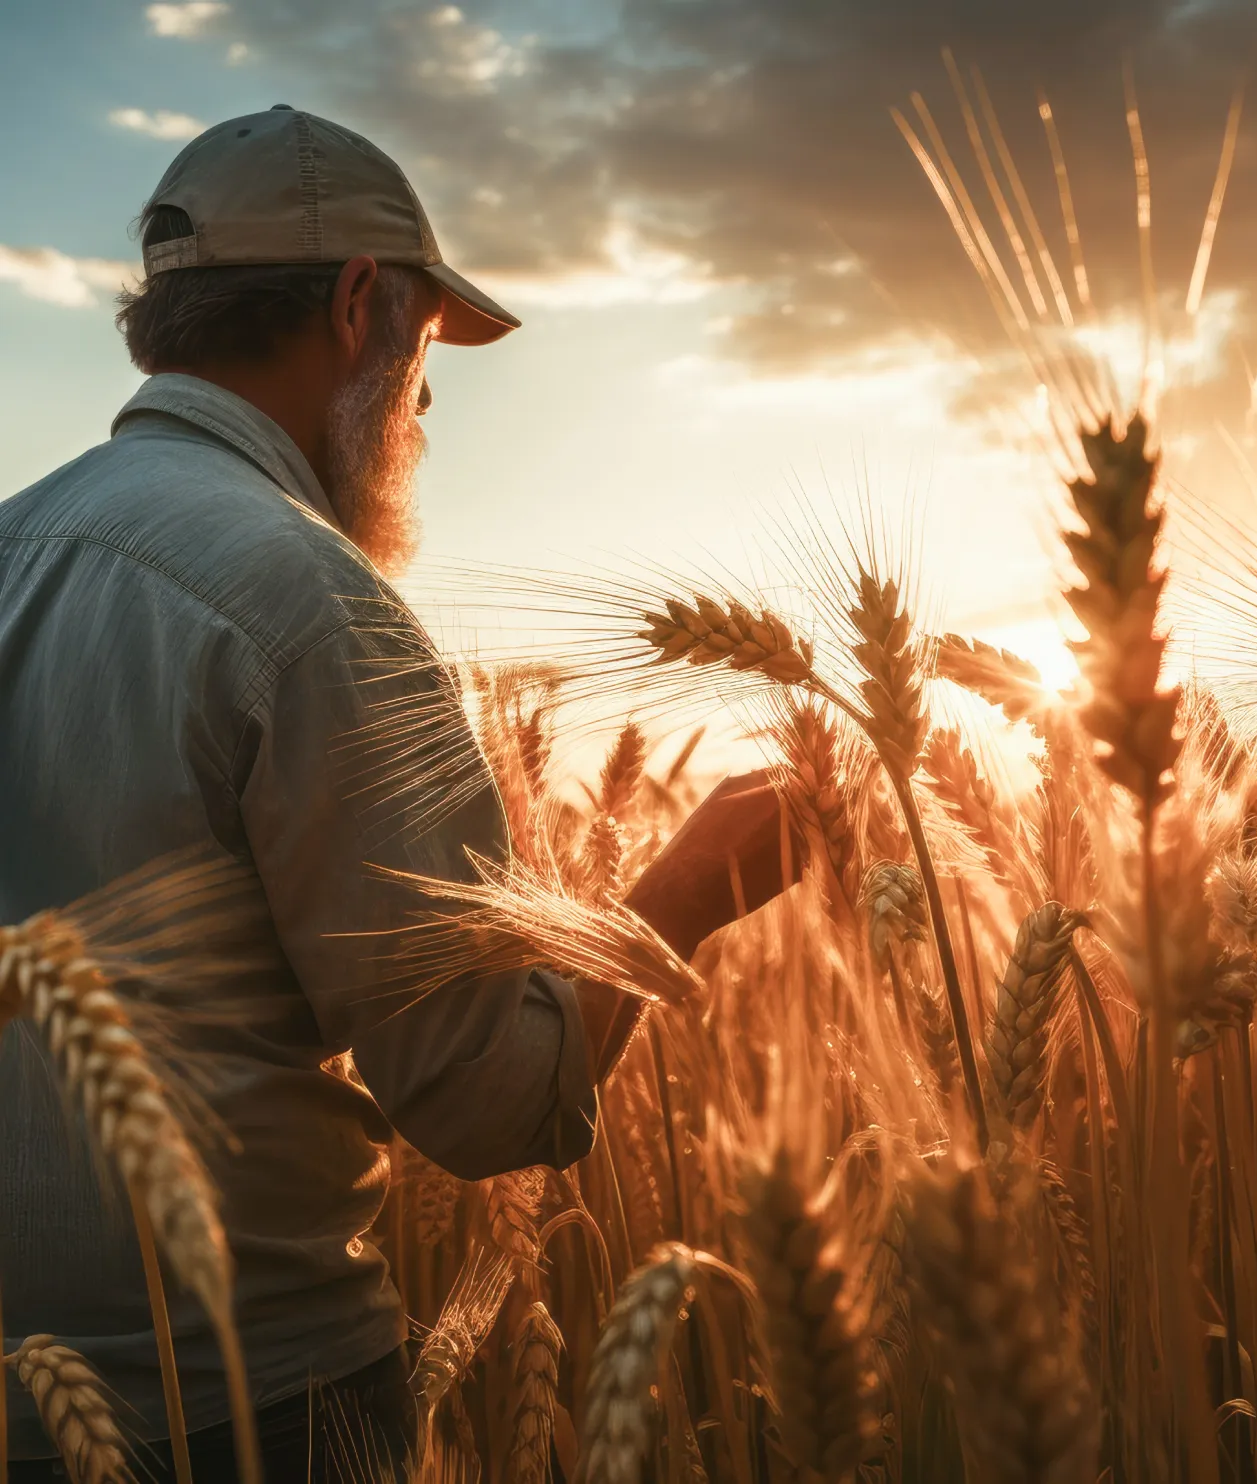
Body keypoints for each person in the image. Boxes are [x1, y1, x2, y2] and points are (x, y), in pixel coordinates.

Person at [0, 107, 793, 1481]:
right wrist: (681, 897)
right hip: (253, 1413)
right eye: (429, 348)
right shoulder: (316, 605)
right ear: (363, 306)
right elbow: (485, 1102)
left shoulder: (17, 545)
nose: (425, 404)